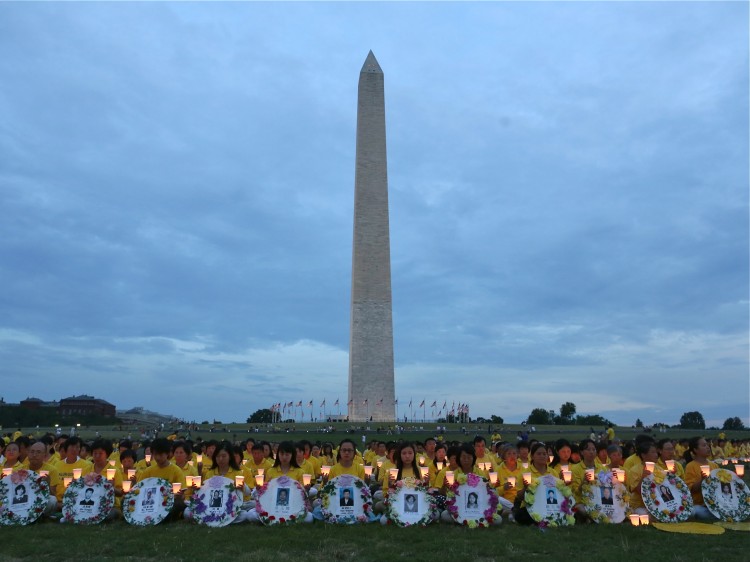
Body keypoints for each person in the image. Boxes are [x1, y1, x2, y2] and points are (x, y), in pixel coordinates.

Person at [683, 437, 719, 522]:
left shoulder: (714, 466)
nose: (707, 447)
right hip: (699, 505)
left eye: (707, 445)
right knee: (695, 511)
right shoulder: (691, 466)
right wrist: (702, 479)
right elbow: (691, 489)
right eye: (704, 445)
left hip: (715, 504)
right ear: (695, 450)